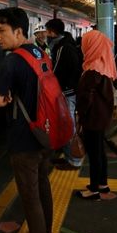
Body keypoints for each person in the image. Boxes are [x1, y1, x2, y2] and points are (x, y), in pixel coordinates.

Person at [0, 7, 53, 233]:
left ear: (18, 31)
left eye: (2, 31)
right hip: (44, 134)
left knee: (29, 195)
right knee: (43, 187)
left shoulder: (13, 60)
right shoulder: (41, 53)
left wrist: (5, 99)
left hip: (24, 138)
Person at [74, 30, 116, 200]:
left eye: (86, 42)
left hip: (93, 117)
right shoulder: (103, 63)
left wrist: (79, 115)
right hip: (102, 116)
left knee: (94, 153)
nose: (83, 46)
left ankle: (94, 190)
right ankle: (102, 185)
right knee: (99, 152)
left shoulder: (93, 69)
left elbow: (86, 97)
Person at [44, 18, 83, 170]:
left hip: (67, 92)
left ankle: (74, 160)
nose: (46, 35)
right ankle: (69, 156)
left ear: (52, 32)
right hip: (69, 90)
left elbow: (56, 71)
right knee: (66, 124)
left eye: (47, 31)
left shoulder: (62, 48)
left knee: (69, 125)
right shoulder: (66, 44)